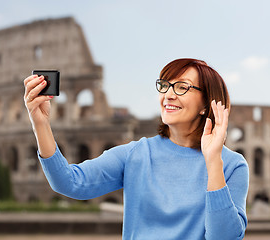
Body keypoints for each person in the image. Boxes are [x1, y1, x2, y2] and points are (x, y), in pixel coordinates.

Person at [23, 58, 249, 239]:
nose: (168, 94)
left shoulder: (232, 166)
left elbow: (224, 237)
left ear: (206, 104)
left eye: (182, 87)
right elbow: (69, 182)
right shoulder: (135, 154)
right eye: (165, 85)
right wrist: (40, 123)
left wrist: (212, 161)